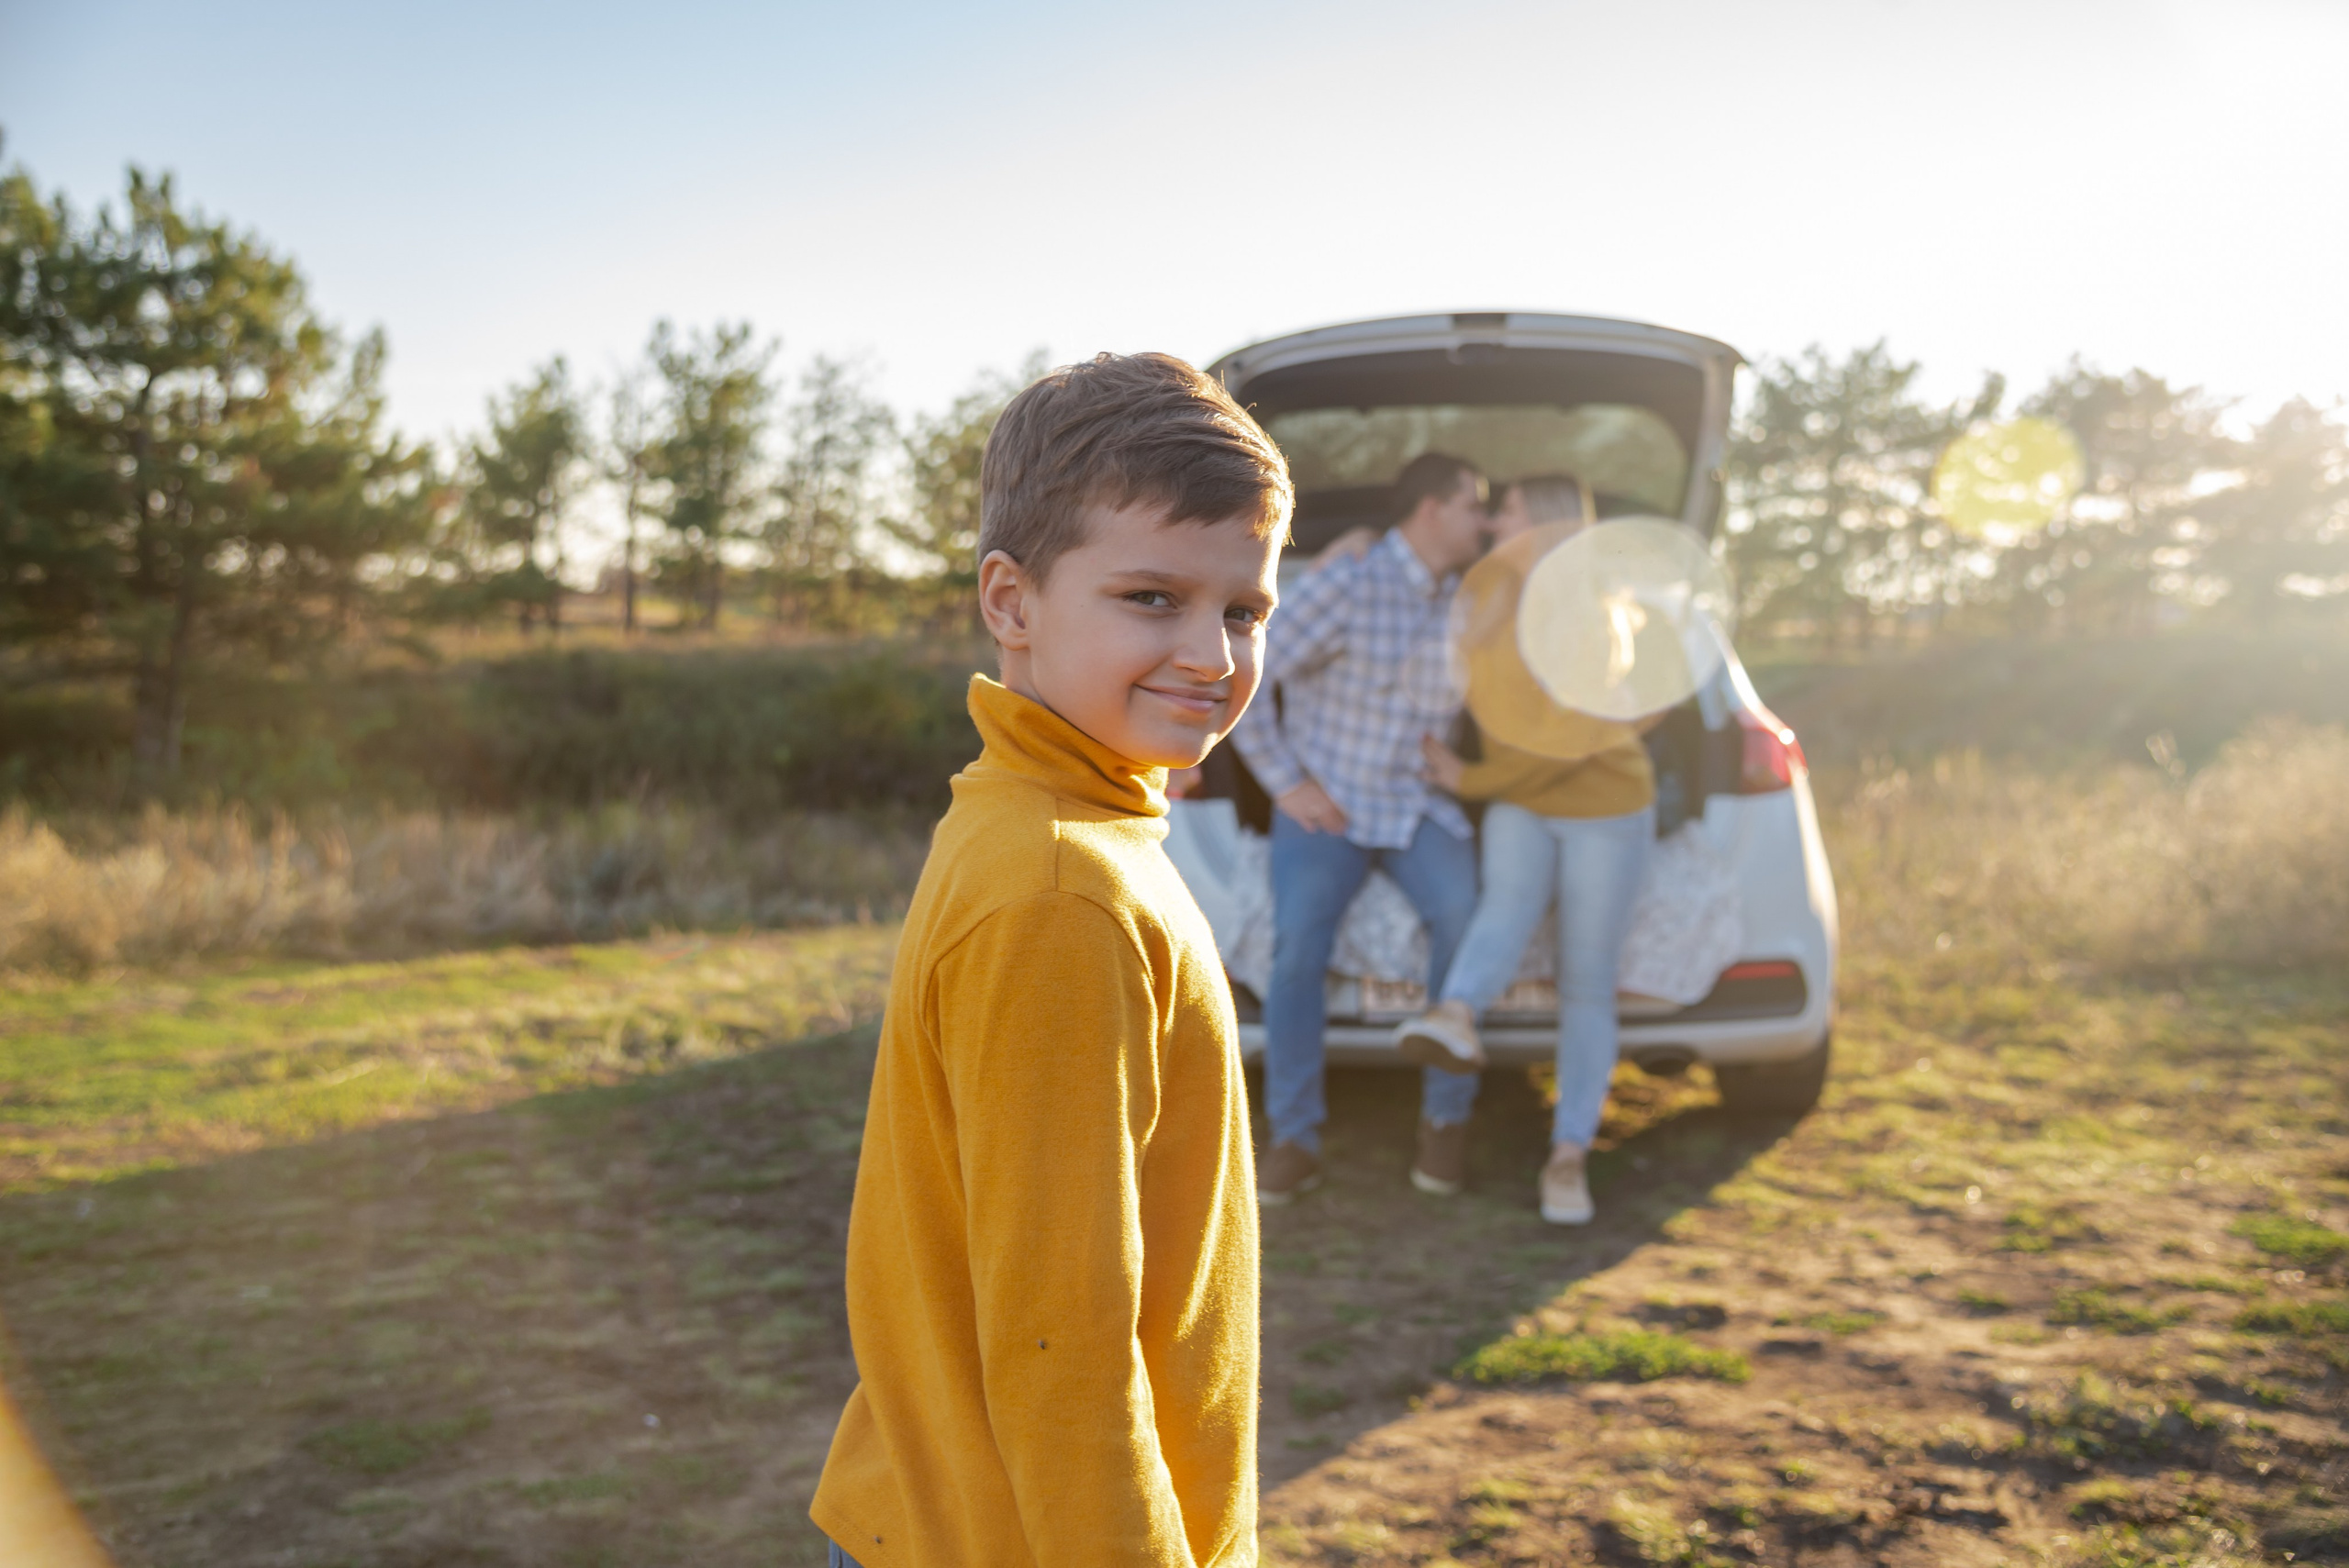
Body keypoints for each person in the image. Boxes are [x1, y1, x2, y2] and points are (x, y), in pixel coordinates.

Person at [811, 352, 1287, 1568]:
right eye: (1149, 598)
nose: (1211, 655)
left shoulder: (1044, 818)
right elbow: (1061, 1354)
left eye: (1242, 611)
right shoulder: (1061, 892)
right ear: (1011, 602)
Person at [1231, 450, 1492, 1204]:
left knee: (1462, 914)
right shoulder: (1347, 583)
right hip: (1332, 807)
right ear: (1432, 509)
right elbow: (1249, 676)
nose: (1482, 519)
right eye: (1474, 504)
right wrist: (1288, 785)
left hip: (1417, 807)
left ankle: (1446, 1122)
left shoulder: (1469, 601)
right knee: (1296, 948)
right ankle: (1294, 1138)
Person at [1399, 473, 1657, 1226]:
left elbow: (1567, 741)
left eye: (1504, 511)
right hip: (1522, 794)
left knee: (1586, 979)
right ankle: (1453, 1016)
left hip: (1603, 802)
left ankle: (1569, 1152)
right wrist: (1353, 547)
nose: (1489, 524)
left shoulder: (1597, 613)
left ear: (1543, 522)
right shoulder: (1487, 598)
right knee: (1505, 903)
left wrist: (1470, 780)